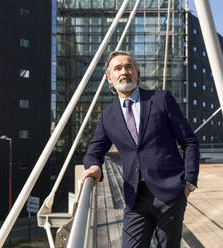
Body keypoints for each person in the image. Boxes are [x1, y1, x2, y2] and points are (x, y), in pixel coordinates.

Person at [82, 50, 200, 248]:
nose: (124, 72)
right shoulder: (107, 116)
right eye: (117, 68)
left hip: (170, 194)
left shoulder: (161, 99)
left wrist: (189, 183)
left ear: (137, 72)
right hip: (134, 197)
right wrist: (94, 167)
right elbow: (95, 150)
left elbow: (189, 141)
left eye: (129, 67)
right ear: (109, 78)